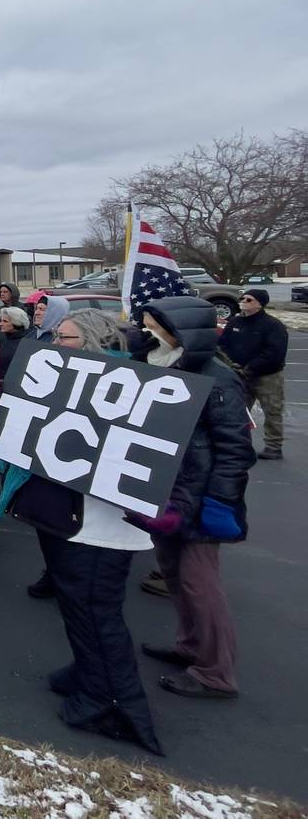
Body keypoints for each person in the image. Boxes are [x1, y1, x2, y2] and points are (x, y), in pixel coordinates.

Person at [0, 308, 162, 754]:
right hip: (68, 519)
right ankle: (90, 672)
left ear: (91, 340)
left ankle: (114, 704)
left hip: (99, 527)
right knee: (77, 608)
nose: (53, 346)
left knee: (96, 613)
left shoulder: (128, 389)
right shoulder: (71, 381)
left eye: (63, 339)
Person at [134, 296, 255, 699]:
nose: (147, 331)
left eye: (154, 325)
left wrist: (218, 503)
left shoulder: (217, 378)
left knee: (199, 583)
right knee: (172, 574)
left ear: (180, 330)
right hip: (167, 490)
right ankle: (190, 646)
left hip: (201, 498)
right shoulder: (163, 364)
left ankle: (216, 673)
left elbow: (235, 447)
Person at [218, 288, 287, 460]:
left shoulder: (273, 325)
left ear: (259, 304)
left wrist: (250, 368)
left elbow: (274, 353)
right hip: (239, 375)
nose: (243, 301)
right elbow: (223, 344)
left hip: (267, 377)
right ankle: (239, 445)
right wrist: (228, 364)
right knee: (238, 412)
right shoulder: (235, 322)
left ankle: (273, 446)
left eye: (249, 300)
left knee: (272, 411)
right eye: (242, 298)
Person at [0, 306, 31, 378]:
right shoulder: (6, 338)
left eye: (5, 321)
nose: (0, 324)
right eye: (1, 320)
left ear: (16, 323)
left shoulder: (25, 344)